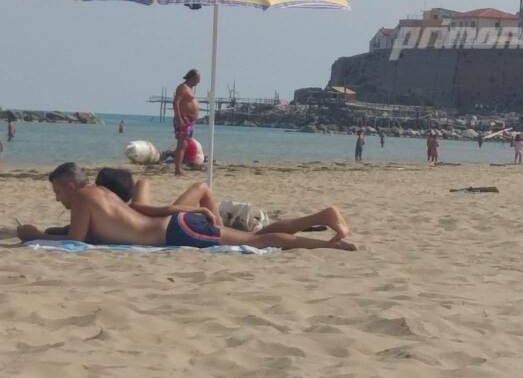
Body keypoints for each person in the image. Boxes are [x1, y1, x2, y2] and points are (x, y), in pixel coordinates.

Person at [17, 163, 355, 251]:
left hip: (178, 232)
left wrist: (34, 235)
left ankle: (326, 244)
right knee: (254, 236)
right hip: (177, 225)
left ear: (70, 186)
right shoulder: (99, 193)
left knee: (259, 241)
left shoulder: (82, 200)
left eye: (57, 191)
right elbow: (135, 212)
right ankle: (321, 219)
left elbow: (79, 242)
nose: (56, 198)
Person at [94, 167, 350, 239]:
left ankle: (322, 217)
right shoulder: (131, 208)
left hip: (197, 222)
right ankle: (321, 218)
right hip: (203, 218)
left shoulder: (128, 213)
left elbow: (155, 206)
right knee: (201, 188)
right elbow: (144, 183)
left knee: (262, 236)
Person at [173, 69, 201, 177]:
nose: (198, 82)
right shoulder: (182, 88)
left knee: (184, 144)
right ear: (192, 77)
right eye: (197, 79)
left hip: (189, 121)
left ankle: (179, 167)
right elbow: (176, 102)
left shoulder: (190, 89)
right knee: (182, 144)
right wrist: (179, 118)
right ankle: (178, 170)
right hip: (183, 119)